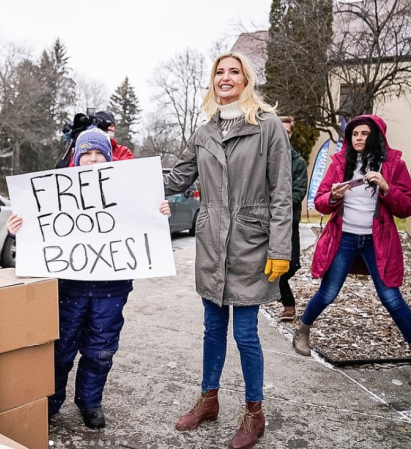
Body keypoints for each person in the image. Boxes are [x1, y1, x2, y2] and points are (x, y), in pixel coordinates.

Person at [163, 52, 292, 449]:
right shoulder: (204, 132)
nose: (225, 77)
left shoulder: (268, 127)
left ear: (246, 80)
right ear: (213, 81)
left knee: (247, 334)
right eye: (219, 72)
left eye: (234, 71)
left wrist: (280, 247)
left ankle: (254, 413)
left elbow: (282, 193)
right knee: (212, 329)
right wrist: (121, 180)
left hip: (252, 242)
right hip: (211, 240)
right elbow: (178, 176)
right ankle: (209, 400)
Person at [7, 127, 171, 430]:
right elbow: (39, 228)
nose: (93, 160)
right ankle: (51, 400)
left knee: (101, 350)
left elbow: (143, 223)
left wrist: (158, 212)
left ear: (108, 157)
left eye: (99, 154)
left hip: (112, 289)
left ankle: (90, 402)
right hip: (68, 288)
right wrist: (18, 227)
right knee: (60, 348)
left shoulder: (127, 193)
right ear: (76, 158)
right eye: (87, 154)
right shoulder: (57, 192)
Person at [293, 115, 411, 356]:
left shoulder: (393, 165)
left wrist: (387, 187)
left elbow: (406, 207)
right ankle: (302, 331)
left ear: (376, 136)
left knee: (391, 297)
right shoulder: (339, 163)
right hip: (343, 237)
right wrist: (334, 196)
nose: (358, 137)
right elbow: (320, 202)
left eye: (364, 133)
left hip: (377, 241)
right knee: (328, 293)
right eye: (355, 134)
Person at [278, 116, 308, 321]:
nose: (284, 135)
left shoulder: (297, 161)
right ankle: (288, 305)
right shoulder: (262, 157)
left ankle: (277, 288)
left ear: (291, 134)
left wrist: (280, 203)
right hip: (263, 222)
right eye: (280, 130)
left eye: (287, 132)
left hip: (289, 221)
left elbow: (299, 191)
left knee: (292, 264)